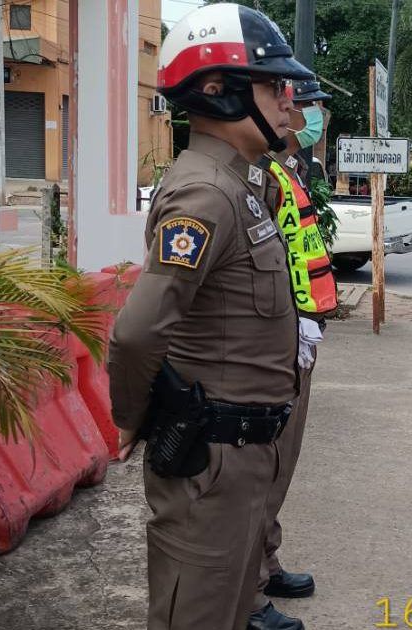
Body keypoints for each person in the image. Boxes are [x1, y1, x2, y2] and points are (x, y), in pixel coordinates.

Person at [106, 5, 314, 629]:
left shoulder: (239, 184)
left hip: (242, 453)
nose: (289, 102)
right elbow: (137, 333)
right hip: (212, 460)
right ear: (220, 91)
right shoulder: (206, 194)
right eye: (274, 86)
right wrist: (131, 417)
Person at [248, 79, 338, 630]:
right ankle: (250, 588)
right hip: (277, 339)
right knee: (264, 466)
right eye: (307, 106)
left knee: (282, 462)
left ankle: (266, 559)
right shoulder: (259, 174)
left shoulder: (290, 168)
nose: (309, 116)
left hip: (299, 332)